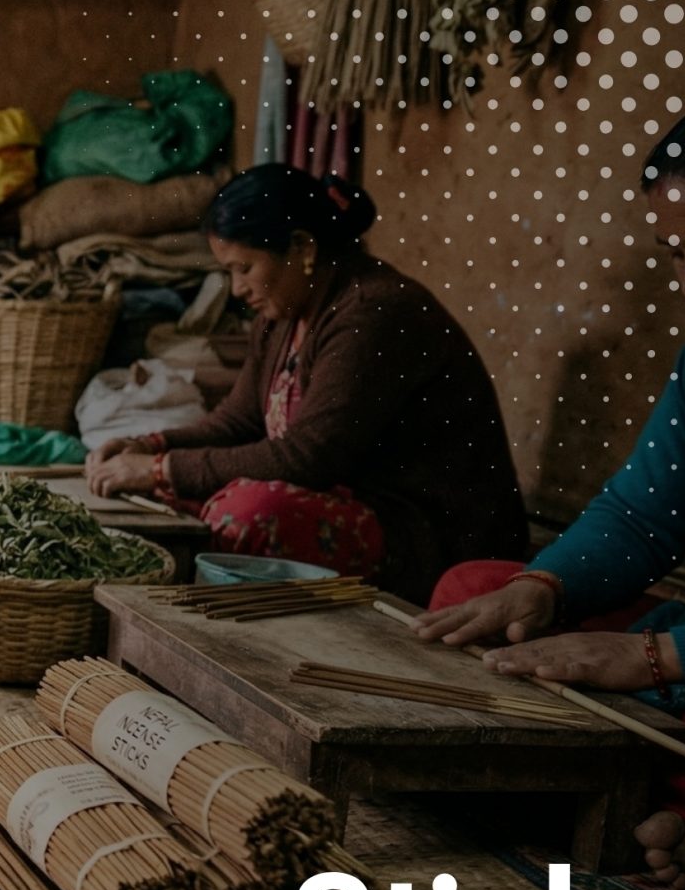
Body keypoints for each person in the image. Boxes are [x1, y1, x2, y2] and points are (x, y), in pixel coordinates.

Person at [418, 81, 685, 890]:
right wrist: (546, 587)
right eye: (679, 254)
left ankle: (665, 806)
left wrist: (648, 657)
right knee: (476, 597)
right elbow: (640, 515)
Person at [85, 164, 526, 600]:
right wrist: (147, 447)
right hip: (347, 500)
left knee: (245, 513)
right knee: (177, 493)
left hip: (427, 536)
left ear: (302, 247)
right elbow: (237, 422)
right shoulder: (284, 311)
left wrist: (161, 470)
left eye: (244, 268)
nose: (237, 289)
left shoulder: (375, 313)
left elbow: (310, 457)